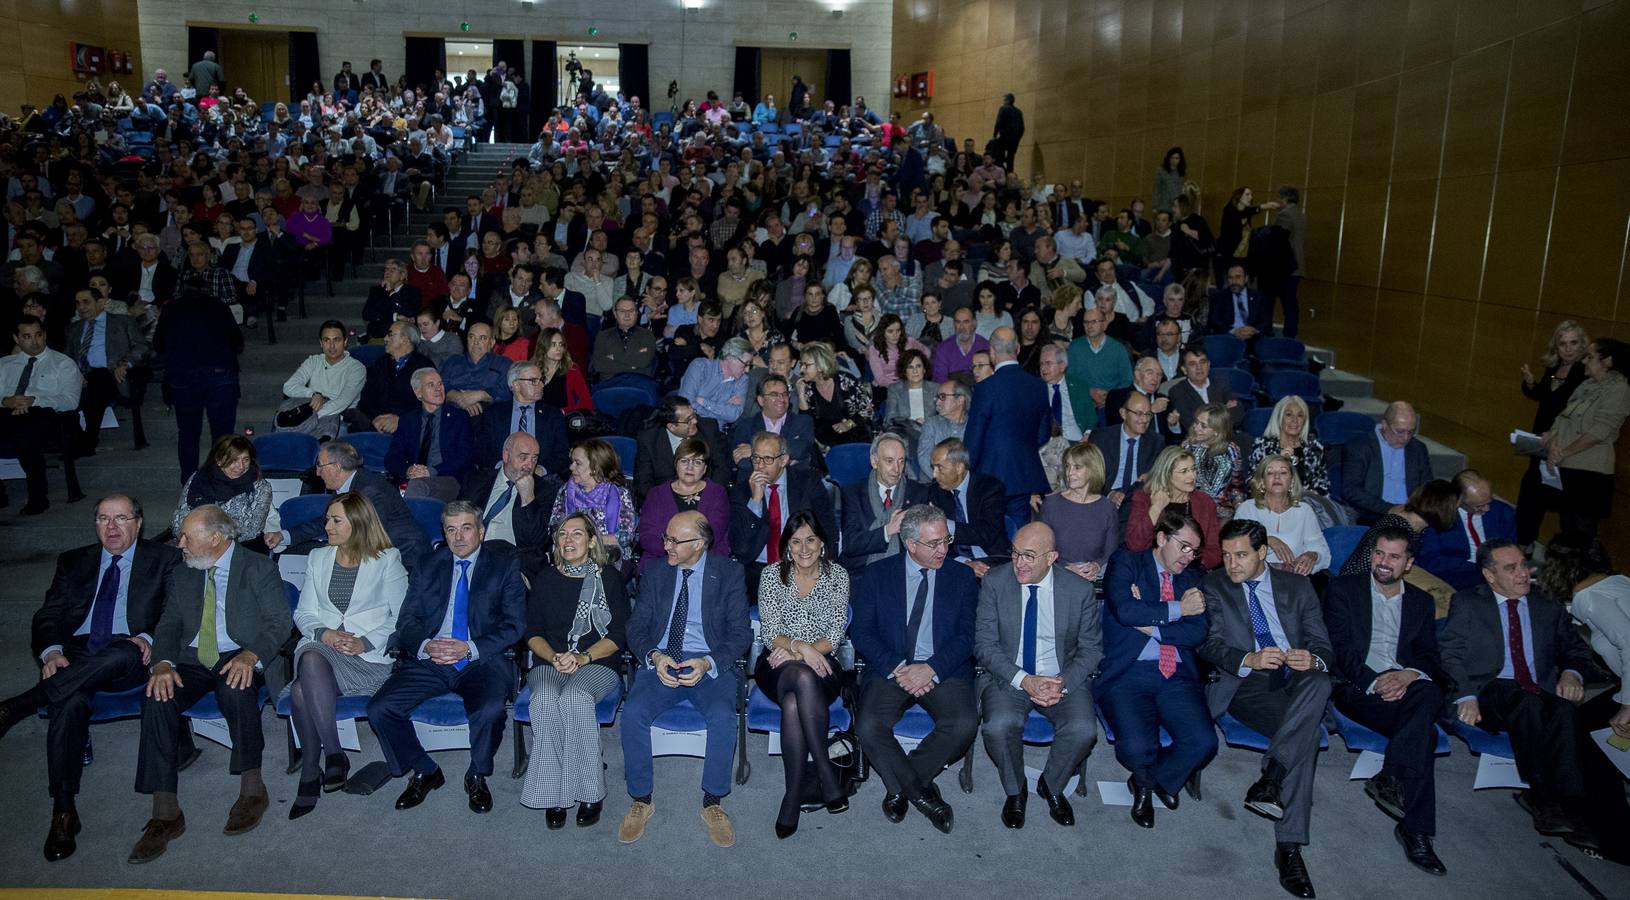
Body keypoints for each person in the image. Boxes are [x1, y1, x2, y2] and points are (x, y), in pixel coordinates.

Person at [0, 495, 181, 861]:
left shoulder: (165, 559)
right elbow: (48, 614)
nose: (112, 528)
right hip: (77, 655)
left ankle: (18, 705)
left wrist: (147, 639)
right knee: (68, 702)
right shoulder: (74, 561)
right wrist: (52, 651)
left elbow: (175, 612)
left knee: (122, 651)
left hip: (130, 653)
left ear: (139, 522)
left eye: (121, 518)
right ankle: (63, 812)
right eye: (103, 519)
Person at [128, 505, 290, 864]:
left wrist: (252, 655)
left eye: (187, 536)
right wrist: (163, 663)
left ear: (215, 539)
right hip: (190, 657)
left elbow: (279, 622)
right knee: (156, 695)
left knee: (236, 686)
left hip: (239, 652)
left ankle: (252, 787)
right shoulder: (183, 570)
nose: (179, 542)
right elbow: (169, 623)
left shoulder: (258, 567)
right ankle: (165, 812)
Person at [1197, 519, 1333, 899]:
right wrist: (1249, 658)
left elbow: (1324, 645)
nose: (1232, 564)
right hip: (1247, 683)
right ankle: (1289, 848)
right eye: (1226, 555)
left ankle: (1272, 776)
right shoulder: (1214, 585)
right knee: (1303, 741)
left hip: (1298, 679)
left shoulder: (1298, 585)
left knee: (1320, 680)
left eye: (1241, 555)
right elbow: (1209, 646)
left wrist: (1313, 658)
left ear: (1262, 553)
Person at [367, 502, 526, 815]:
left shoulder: (503, 565)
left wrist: (470, 647)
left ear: (481, 531)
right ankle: (424, 769)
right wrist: (426, 645)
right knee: (380, 708)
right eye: (451, 530)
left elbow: (515, 625)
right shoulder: (428, 564)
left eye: (467, 528)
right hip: (431, 658)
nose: (459, 537)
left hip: (480, 659)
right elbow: (407, 620)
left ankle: (477, 774)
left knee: (490, 709)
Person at [1440, 540, 1599, 852]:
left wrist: (1571, 673)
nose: (1523, 573)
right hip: (1488, 690)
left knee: (1566, 712)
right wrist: (1465, 696)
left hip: (1536, 690)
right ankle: (1544, 799)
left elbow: (1577, 650)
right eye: (1511, 568)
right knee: (1522, 700)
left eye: (1524, 565)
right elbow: (1450, 655)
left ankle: (1572, 805)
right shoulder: (1469, 602)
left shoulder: (1548, 605)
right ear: (1489, 575)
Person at [618, 510, 752, 848]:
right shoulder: (656, 571)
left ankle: (712, 801)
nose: (666, 546)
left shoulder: (729, 573)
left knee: (723, 717)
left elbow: (740, 634)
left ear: (701, 543)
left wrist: (707, 663)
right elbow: (637, 626)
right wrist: (655, 656)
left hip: (707, 664)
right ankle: (641, 798)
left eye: (675, 541)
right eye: (666, 537)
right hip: (663, 662)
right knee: (632, 713)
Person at [1321, 524, 1448, 875]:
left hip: (1407, 689)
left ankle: (1396, 787)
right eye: (1379, 553)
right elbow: (1339, 650)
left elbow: (1429, 657)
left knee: (1427, 692)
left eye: (1394, 556)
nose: (1383, 562)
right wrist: (1376, 682)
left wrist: (1407, 675)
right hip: (1358, 688)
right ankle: (1414, 829)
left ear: (1409, 563)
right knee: (1427, 733)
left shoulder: (1421, 602)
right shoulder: (1344, 590)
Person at [850, 505, 978, 834]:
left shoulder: (961, 576)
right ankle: (922, 795)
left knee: (963, 723)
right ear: (910, 544)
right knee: (868, 725)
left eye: (946, 541)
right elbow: (862, 631)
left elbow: (967, 637)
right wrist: (898, 667)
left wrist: (931, 669)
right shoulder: (879, 574)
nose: (943, 550)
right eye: (934, 544)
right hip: (891, 666)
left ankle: (901, 788)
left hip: (943, 668)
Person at [286, 493, 409, 819]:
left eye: (335, 520)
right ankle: (333, 754)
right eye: (327, 519)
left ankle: (313, 768)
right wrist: (324, 633)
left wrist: (365, 642)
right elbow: (304, 613)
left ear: (358, 523)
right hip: (323, 647)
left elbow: (401, 617)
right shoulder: (318, 557)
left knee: (300, 690)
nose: (327, 526)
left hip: (367, 659)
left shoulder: (387, 559)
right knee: (311, 656)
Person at [974, 523, 1100, 829]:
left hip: (1060, 676)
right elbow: (985, 645)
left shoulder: (1079, 591)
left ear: (1051, 557)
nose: (1019, 563)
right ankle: (1016, 791)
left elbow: (1091, 650)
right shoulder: (995, 582)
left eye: (1029, 556)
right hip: (1009, 676)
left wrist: (1063, 682)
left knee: (1083, 729)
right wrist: (1024, 679)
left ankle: (1052, 784)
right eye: (1016, 553)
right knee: (998, 725)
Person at [1098, 510, 1216, 829]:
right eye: (1184, 547)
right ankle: (1148, 783)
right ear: (1162, 538)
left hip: (1176, 674)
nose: (1189, 557)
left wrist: (1151, 626)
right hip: (1128, 673)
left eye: (1195, 551)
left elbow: (1198, 632)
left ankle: (1153, 782)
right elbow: (1125, 610)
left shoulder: (1193, 578)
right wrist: (1180, 609)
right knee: (1138, 747)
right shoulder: (1127, 563)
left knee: (1204, 742)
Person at [520, 514, 630, 828]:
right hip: (550, 660)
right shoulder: (545, 579)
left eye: (577, 534)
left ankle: (589, 791)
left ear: (592, 541)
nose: (568, 541)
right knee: (543, 700)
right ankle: (552, 793)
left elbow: (619, 636)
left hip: (596, 662)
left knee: (575, 698)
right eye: (563, 534)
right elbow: (532, 632)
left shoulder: (608, 579)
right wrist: (554, 656)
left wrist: (581, 657)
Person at [754, 511, 853, 838]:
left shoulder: (838, 576)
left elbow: (835, 634)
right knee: (800, 677)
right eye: (796, 542)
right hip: (776, 666)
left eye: (811, 539)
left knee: (797, 701)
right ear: (786, 548)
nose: (804, 548)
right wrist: (802, 649)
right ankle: (825, 772)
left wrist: (808, 651)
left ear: (822, 543)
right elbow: (769, 633)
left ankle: (792, 797)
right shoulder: (771, 576)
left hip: (825, 666)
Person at [1535, 535, 1630, 864]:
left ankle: (1615, 840)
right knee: (1583, 725)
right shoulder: (1615, 583)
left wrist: (1627, 706)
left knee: (1591, 743)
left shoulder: (1590, 598)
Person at [265, 441, 430, 564]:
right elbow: (327, 521)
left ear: (337, 467)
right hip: (379, 553)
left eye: (320, 466)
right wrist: (284, 536)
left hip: (406, 557)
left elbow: (370, 535)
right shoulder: (347, 485)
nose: (317, 472)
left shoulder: (370, 490)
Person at [729, 431, 839, 599]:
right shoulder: (741, 492)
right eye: (756, 458)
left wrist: (819, 572)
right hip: (758, 573)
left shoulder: (808, 482)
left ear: (783, 460)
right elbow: (740, 548)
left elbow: (828, 532)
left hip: (803, 566)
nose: (760, 466)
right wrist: (756, 502)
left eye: (768, 459)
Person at [1542, 338, 1629, 541]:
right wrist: (1554, 447)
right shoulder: (1586, 385)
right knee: (1566, 527)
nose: (1583, 361)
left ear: (1607, 361)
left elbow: (1600, 430)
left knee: (1583, 532)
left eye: (1590, 357)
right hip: (1565, 465)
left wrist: (1564, 452)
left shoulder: (1619, 389)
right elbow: (1561, 418)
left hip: (1591, 470)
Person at [154, 281, 243, 481]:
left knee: (188, 433)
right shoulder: (219, 305)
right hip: (220, 373)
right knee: (222, 436)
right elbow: (237, 341)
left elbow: (158, 343)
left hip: (183, 376)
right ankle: (220, 481)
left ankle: (189, 484)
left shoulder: (171, 308)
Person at [965, 327, 1051, 522]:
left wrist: (968, 472)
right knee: (1020, 539)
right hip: (1024, 474)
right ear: (1018, 349)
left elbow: (974, 438)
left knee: (992, 538)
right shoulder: (1038, 385)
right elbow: (1043, 433)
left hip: (990, 474)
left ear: (992, 352)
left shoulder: (986, 388)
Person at [1515, 321, 1590, 546]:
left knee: (1566, 505)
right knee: (1530, 497)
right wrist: (1530, 384)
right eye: (1562, 343)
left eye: (1573, 343)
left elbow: (1571, 408)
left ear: (1582, 345)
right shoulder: (1554, 369)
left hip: (1565, 445)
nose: (1568, 349)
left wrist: (1557, 435)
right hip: (1541, 442)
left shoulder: (1585, 374)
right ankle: (1525, 545)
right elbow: (1546, 397)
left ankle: (1569, 557)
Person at [0, 316, 82, 514]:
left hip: (47, 417)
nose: (34, 341)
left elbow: (70, 401)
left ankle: (38, 496)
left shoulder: (63, 363)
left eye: (38, 335)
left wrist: (34, 400)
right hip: (7, 414)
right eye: (27, 336)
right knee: (17, 425)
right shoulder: (4, 364)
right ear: (16, 339)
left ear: (45, 335)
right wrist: (6, 401)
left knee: (25, 427)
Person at [838, 432, 944, 571]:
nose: (897, 469)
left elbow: (923, 545)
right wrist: (887, 531)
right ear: (874, 462)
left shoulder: (919, 493)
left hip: (905, 571)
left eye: (901, 461)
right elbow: (850, 545)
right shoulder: (852, 493)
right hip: (861, 570)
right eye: (889, 461)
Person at [457, 432, 558, 572]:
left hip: (510, 562)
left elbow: (537, 542)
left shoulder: (544, 490)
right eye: (523, 457)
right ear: (506, 456)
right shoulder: (476, 480)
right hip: (469, 553)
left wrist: (528, 498)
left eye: (534, 459)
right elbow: (456, 519)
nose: (529, 465)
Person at [65, 288, 149, 455]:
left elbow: (142, 347)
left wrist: (125, 364)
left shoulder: (123, 321)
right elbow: (67, 357)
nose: (81, 307)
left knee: (97, 379)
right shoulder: (73, 328)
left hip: (112, 374)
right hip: (79, 376)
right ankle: (77, 438)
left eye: (86, 302)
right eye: (78, 303)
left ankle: (88, 440)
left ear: (101, 303)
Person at [637, 437, 731, 574]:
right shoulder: (656, 494)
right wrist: (675, 554)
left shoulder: (717, 493)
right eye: (684, 461)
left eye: (697, 462)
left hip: (707, 563)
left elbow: (713, 534)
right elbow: (648, 536)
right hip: (662, 560)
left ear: (705, 468)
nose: (690, 467)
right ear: (676, 464)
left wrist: (684, 555)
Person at [1233, 456, 1330, 586]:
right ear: (1261, 482)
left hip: (1293, 580)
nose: (1277, 477)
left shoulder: (1304, 511)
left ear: (1292, 481)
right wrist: (1268, 540)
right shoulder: (1247, 508)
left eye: (1283, 472)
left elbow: (1321, 549)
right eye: (1270, 473)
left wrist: (1312, 555)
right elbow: (1235, 546)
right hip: (1254, 579)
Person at [1416, 469, 1517, 591]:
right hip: (1458, 576)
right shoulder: (1439, 515)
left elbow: (1511, 548)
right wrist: (1479, 568)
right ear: (1459, 500)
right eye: (1479, 506)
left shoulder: (1502, 512)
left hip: (1499, 572)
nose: (1487, 509)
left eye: (1489, 500)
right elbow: (1431, 560)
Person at [1124, 446, 1222, 570]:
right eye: (1184, 471)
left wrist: (1190, 564)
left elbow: (1214, 550)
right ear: (1167, 474)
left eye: (1193, 469)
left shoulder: (1205, 502)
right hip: (1151, 569)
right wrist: (1156, 507)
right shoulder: (1144, 498)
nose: (1192, 476)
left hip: (1192, 569)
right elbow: (1135, 544)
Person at [385, 368, 473, 502]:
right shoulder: (408, 420)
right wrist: (408, 470)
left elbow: (464, 456)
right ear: (418, 393)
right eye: (431, 385)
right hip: (413, 479)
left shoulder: (459, 417)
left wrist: (431, 471)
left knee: (417, 487)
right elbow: (392, 457)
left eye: (440, 383)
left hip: (447, 478)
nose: (438, 388)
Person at [1038, 441, 1121, 582]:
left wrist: (1096, 566)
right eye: (1067, 466)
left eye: (1077, 467)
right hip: (1055, 579)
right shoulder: (1051, 505)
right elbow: (1040, 549)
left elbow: (1111, 553)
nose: (1070, 473)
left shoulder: (1107, 508)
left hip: (1092, 582)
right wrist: (1063, 569)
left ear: (1093, 469)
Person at [170, 434, 273, 543]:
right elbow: (180, 517)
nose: (241, 466)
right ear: (219, 460)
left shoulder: (260, 487)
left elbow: (252, 529)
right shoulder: (199, 479)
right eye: (234, 460)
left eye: (245, 460)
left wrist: (209, 539)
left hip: (234, 547)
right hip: (193, 542)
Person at [550, 439, 638, 565]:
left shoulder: (619, 493)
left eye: (577, 463)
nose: (571, 467)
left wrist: (587, 543)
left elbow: (625, 537)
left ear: (595, 467)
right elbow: (555, 527)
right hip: (570, 553)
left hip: (609, 556)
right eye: (572, 462)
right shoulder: (566, 491)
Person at [1343, 401, 1433, 525]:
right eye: (1400, 431)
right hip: (1373, 513)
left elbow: (1427, 486)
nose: (1406, 438)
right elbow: (1350, 490)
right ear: (1384, 425)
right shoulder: (1360, 446)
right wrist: (1388, 508)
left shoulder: (1418, 448)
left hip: (1411, 513)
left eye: (1411, 432)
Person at [477, 361, 570, 475]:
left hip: (540, 479)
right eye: (534, 381)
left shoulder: (553, 415)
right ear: (516, 385)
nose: (541, 385)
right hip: (499, 475)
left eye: (541, 380)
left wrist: (541, 470)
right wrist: (502, 467)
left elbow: (563, 454)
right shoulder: (494, 413)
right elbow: (481, 450)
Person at [277, 319, 365, 440]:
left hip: (339, 418)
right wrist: (313, 393)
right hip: (309, 413)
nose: (332, 346)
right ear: (321, 343)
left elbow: (342, 402)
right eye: (326, 340)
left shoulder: (357, 368)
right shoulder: (313, 361)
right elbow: (288, 386)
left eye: (336, 340)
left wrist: (307, 416)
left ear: (345, 342)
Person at [927, 437, 1010, 560]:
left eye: (940, 467)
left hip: (992, 558)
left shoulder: (990, 488)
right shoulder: (935, 492)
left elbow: (987, 533)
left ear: (959, 468)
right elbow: (935, 542)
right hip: (957, 562)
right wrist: (963, 561)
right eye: (933, 467)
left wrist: (946, 525)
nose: (934, 474)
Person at [636, 396, 731, 500]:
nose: (695, 421)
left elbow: (722, 469)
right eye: (688, 420)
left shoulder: (709, 428)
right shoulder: (649, 440)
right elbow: (644, 484)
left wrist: (708, 497)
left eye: (694, 415)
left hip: (705, 497)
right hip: (665, 500)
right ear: (672, 427)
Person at [350, 321, 434, 434]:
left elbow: (430, 404)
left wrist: (400, 420)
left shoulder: (424, 366)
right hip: (373, 426)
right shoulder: (381, 363)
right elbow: (366, 396)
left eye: (390, 334)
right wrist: (375, 419)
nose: (385, 339)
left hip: (408, 428)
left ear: (405, 339)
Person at [729, 372, 818, 477]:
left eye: (784, 394)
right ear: (761, 400)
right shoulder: (746, 425)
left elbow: (801, 450)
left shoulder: (802, 421)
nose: (781, 399)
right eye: (774, 394)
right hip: (756, 484)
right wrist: (786, 461)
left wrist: (754, 450)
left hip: (794, 483)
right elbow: (743, 462)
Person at [1247, 395, 1331, 496]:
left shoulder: (1315, 448)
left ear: (1305, 421)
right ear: (1279, 418)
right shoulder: (1262, 446)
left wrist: (1309, 496)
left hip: (1306, 504)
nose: (1294, 420)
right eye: (1288, 415)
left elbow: (1324, 486)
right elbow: (1252, 483)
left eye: (1300, 416)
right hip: (1270, 504)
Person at [798, 340, 874, 446]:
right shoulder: (807, 388)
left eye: (806, 365)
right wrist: (801, 396)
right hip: (827, 443)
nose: (801, 369)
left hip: (855, 436)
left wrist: (848, 424)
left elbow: (867, 408)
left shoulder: (846, 381)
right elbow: (806, 423)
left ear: (820, 365)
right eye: (801, 364)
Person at [441, 322, 513, 416]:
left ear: (492, 342)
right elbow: (441, 386)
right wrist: (459, 397)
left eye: (482, 338)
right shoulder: (453, 361)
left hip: (490, 414)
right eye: (471, 337)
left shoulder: (504, 363)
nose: (476, 342)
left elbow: (508, 391)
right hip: (454, 412)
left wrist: (481, 395)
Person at [680, 336, 754, 426]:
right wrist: (722, 407)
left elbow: (733, 415)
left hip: (715, 434)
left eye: (750, 365)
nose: (747, 370)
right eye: (745, 364)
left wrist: (704, 402)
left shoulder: (743, 380)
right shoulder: (700, 367)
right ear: (730, 357)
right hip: (690, 427)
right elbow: (686, 405)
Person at [1165, 345, 1237, 436]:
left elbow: (1237, 413)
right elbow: (1190, 424)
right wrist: (1224, 410)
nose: (1199, 367)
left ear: (1208, 364)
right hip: (1198, 441)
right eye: (1192, 364)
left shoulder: (1221, 384)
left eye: (1202, 362)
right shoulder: (1177, 391)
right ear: (1184, 370)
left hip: (1226, 437)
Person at [593, 296, 660, 381]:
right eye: (622, 311)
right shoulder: (603, 336)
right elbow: (599, 365)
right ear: (615, 313)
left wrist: (613, 357)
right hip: (610, 385)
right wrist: (633, 366)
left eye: (631, 311)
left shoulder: (647, 335)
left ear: (636, 313)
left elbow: (643, 362)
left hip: (639, 384)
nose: (627, 315)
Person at [917, 378, 970, 478]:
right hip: (933, 484)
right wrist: (943, 480)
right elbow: (924, 458)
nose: (937, 402)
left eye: (943, 397)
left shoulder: (973, 426)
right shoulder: (931, 424)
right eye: (937, 397)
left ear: (960, 400)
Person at [532, 326, 593, 411]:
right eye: (553, 345)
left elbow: (587, 403)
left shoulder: (572, 370)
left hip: (562, 418)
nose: (559, 348)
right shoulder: (532, 370)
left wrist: (563, 411)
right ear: (543, 347)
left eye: (561, 344)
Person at [1207, 263, 1272, 340]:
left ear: (1246, 279)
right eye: (1230, 278)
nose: (1234, 282)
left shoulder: (1258, 296)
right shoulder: (1219, 297)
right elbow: (1214, 321)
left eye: (1238, 277)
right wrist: (1234, 331)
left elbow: (1266, 321)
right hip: (1230, 337)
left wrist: (1253, 330)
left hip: (1253, 336)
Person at [930, 307, 989, 384]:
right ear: (954, 324)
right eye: (958, 322)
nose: (961, 327)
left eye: (966, 322)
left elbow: (989, 377)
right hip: (953, 393)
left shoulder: (985, 346)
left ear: (974, 324)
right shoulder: (943, 348)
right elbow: (940, 380)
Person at [991, 94, 1024, 172]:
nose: (1003, 102)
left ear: (1007, 101)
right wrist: (1017, 140)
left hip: (1004, 138)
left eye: (1004, 100)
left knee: (999, 158)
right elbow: (1022, 128)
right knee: (1010, 161)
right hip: (1014, 141)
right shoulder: (1019, 112)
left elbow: (998, 122)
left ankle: (1001, 174)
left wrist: (994, 135)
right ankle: (1010, 175)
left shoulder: (1003, 109)